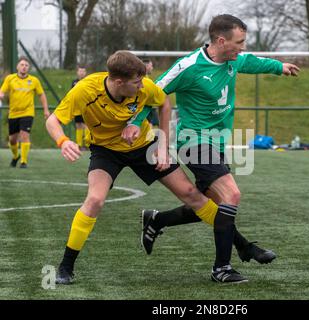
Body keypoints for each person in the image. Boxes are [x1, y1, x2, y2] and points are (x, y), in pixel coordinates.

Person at [139, 14, 300, 283]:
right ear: (221, 41)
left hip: (217, 142)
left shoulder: (233, 60)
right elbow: (152, 93)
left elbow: (252, 61)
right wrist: (135, 123)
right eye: (240, 42)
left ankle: (157, 220)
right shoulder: (188, 67)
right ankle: (222, 268)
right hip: (193, 141)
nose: (243, 47)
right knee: (232, 195)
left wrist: (278, 67)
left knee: (208, 206)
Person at [46, 50, 228, 284]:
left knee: (191, 193)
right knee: (94, 200)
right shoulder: (85, 90)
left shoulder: (144, 85)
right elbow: (53, 120)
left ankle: (243, 246)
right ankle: (65, 267)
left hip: (144, 147)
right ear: (119, 82)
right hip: (106, 151)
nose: (142, 86)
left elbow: (163, 103)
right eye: (136, 82)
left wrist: (162, 146)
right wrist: (63, 141)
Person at [0, 56, 50, 168]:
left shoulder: (34, 80)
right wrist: (1, 95)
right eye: (22, 65)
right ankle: (15, 156)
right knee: (12, 140)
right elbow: (2, 91)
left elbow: (41, 94)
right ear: (17, 67)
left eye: (26, 65)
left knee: (24, 135)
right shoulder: (10, 79)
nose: (24, 67)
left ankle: (23, 161)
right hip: (13, 113)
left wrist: (46, 110)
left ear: (28, 68)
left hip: (28, 112)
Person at [71, 65, 89, 150]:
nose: (81, 73)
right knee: (78, 125)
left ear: (85, 73)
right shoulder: (74, 82)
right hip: (77, 108)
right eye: (80, 71)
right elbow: (72, 94)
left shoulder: (88, 81)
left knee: (86, 125)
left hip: (86, 107)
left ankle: (87, 144)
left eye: (83, 71)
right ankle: (79, 144)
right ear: (77, 72)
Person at [143, 58, 159, 127]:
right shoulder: (143, 79)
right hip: (146, 105)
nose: (152, 68)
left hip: (151, 105)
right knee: (149, 124)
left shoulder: (147, 78)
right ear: (146, 66)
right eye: (151, 66)